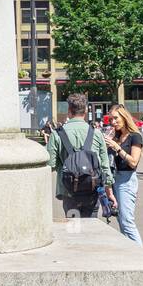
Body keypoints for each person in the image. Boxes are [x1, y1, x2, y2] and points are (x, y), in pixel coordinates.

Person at [47, 92, 116, 220]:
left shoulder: (57, 134)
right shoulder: (96, 133)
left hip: (68, 190)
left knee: (73, 229)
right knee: (91, 228)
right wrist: (109, 191)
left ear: (69, 111)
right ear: (85, 111)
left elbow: (50, 164)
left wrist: (63, 166)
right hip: (92, 189)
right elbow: (104, 165)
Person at [102, 104, 143, 245]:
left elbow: (133, 162)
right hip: (115, 179)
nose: (113, 122)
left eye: (116, 118)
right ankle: (131, 254)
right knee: (121, 221)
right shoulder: (116, 135)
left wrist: (117, 148)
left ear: (124, 117)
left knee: (127, 222)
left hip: (127, 180)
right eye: (111, 119)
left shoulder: (135, 137)